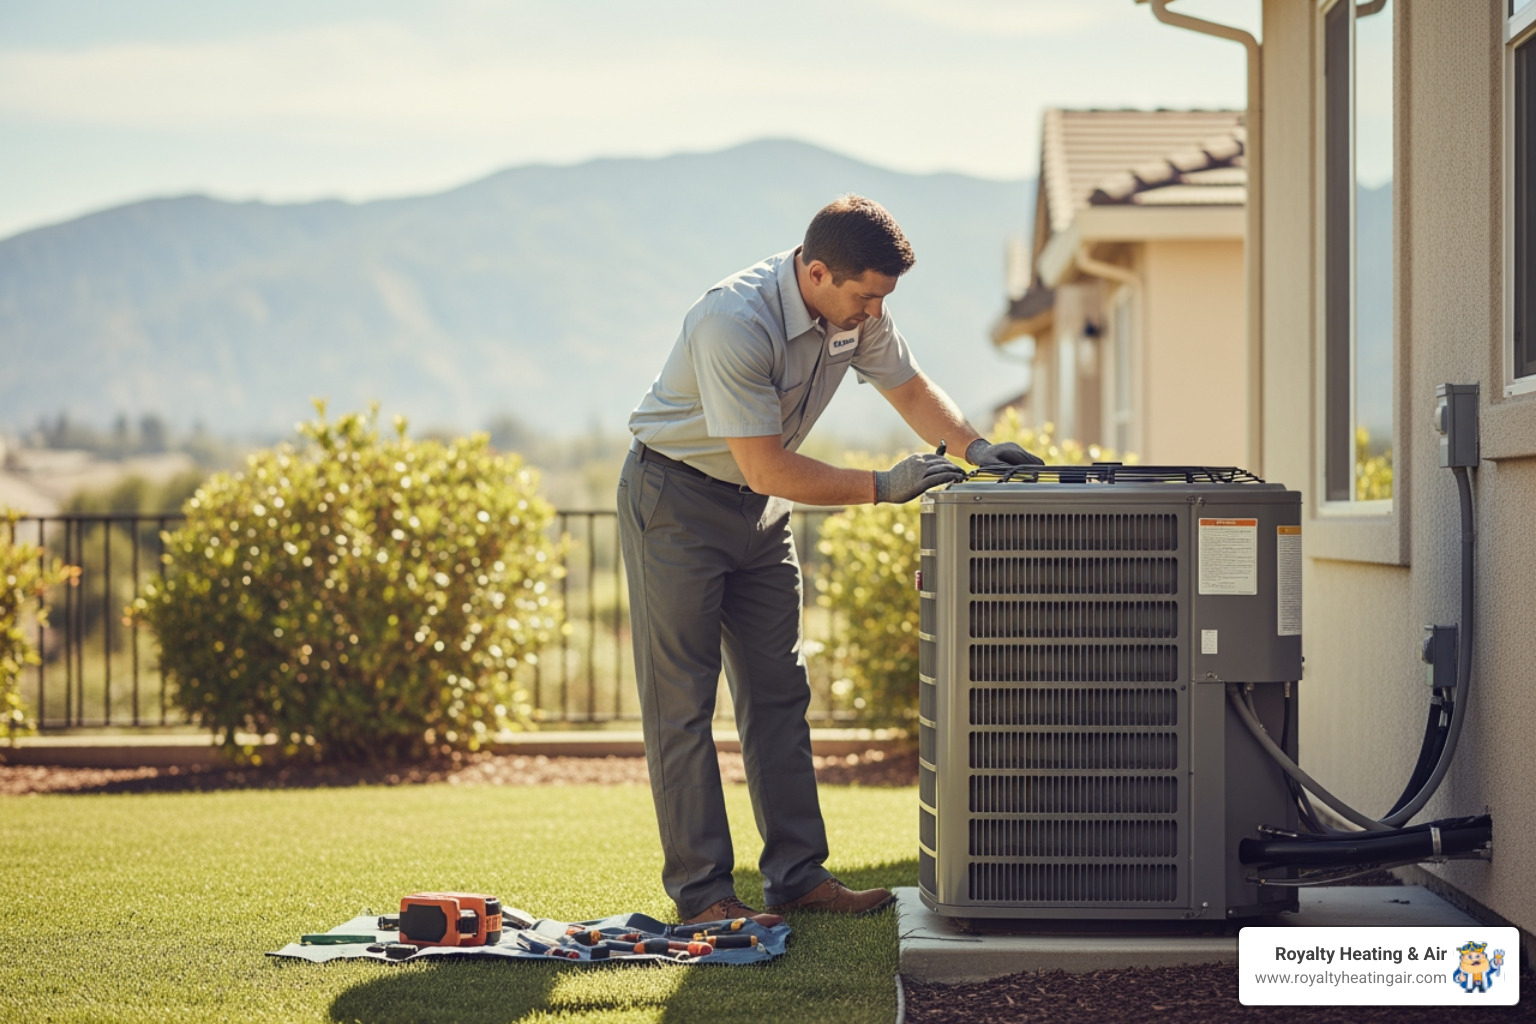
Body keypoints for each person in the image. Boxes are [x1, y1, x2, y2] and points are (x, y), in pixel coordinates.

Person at [618, 194, 1041, 925]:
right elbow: (766, 466)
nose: (876, 313)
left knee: (780, 692)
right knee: (682, 704)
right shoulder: (734, 322)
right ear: (816, 273)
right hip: (677, 502)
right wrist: (884, 486)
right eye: (867, 296)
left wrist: (974, 447)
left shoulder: (856, 315)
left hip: (759, 511)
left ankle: (797, 876)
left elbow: (907, 386)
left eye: (885, 298)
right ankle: (704, 896)